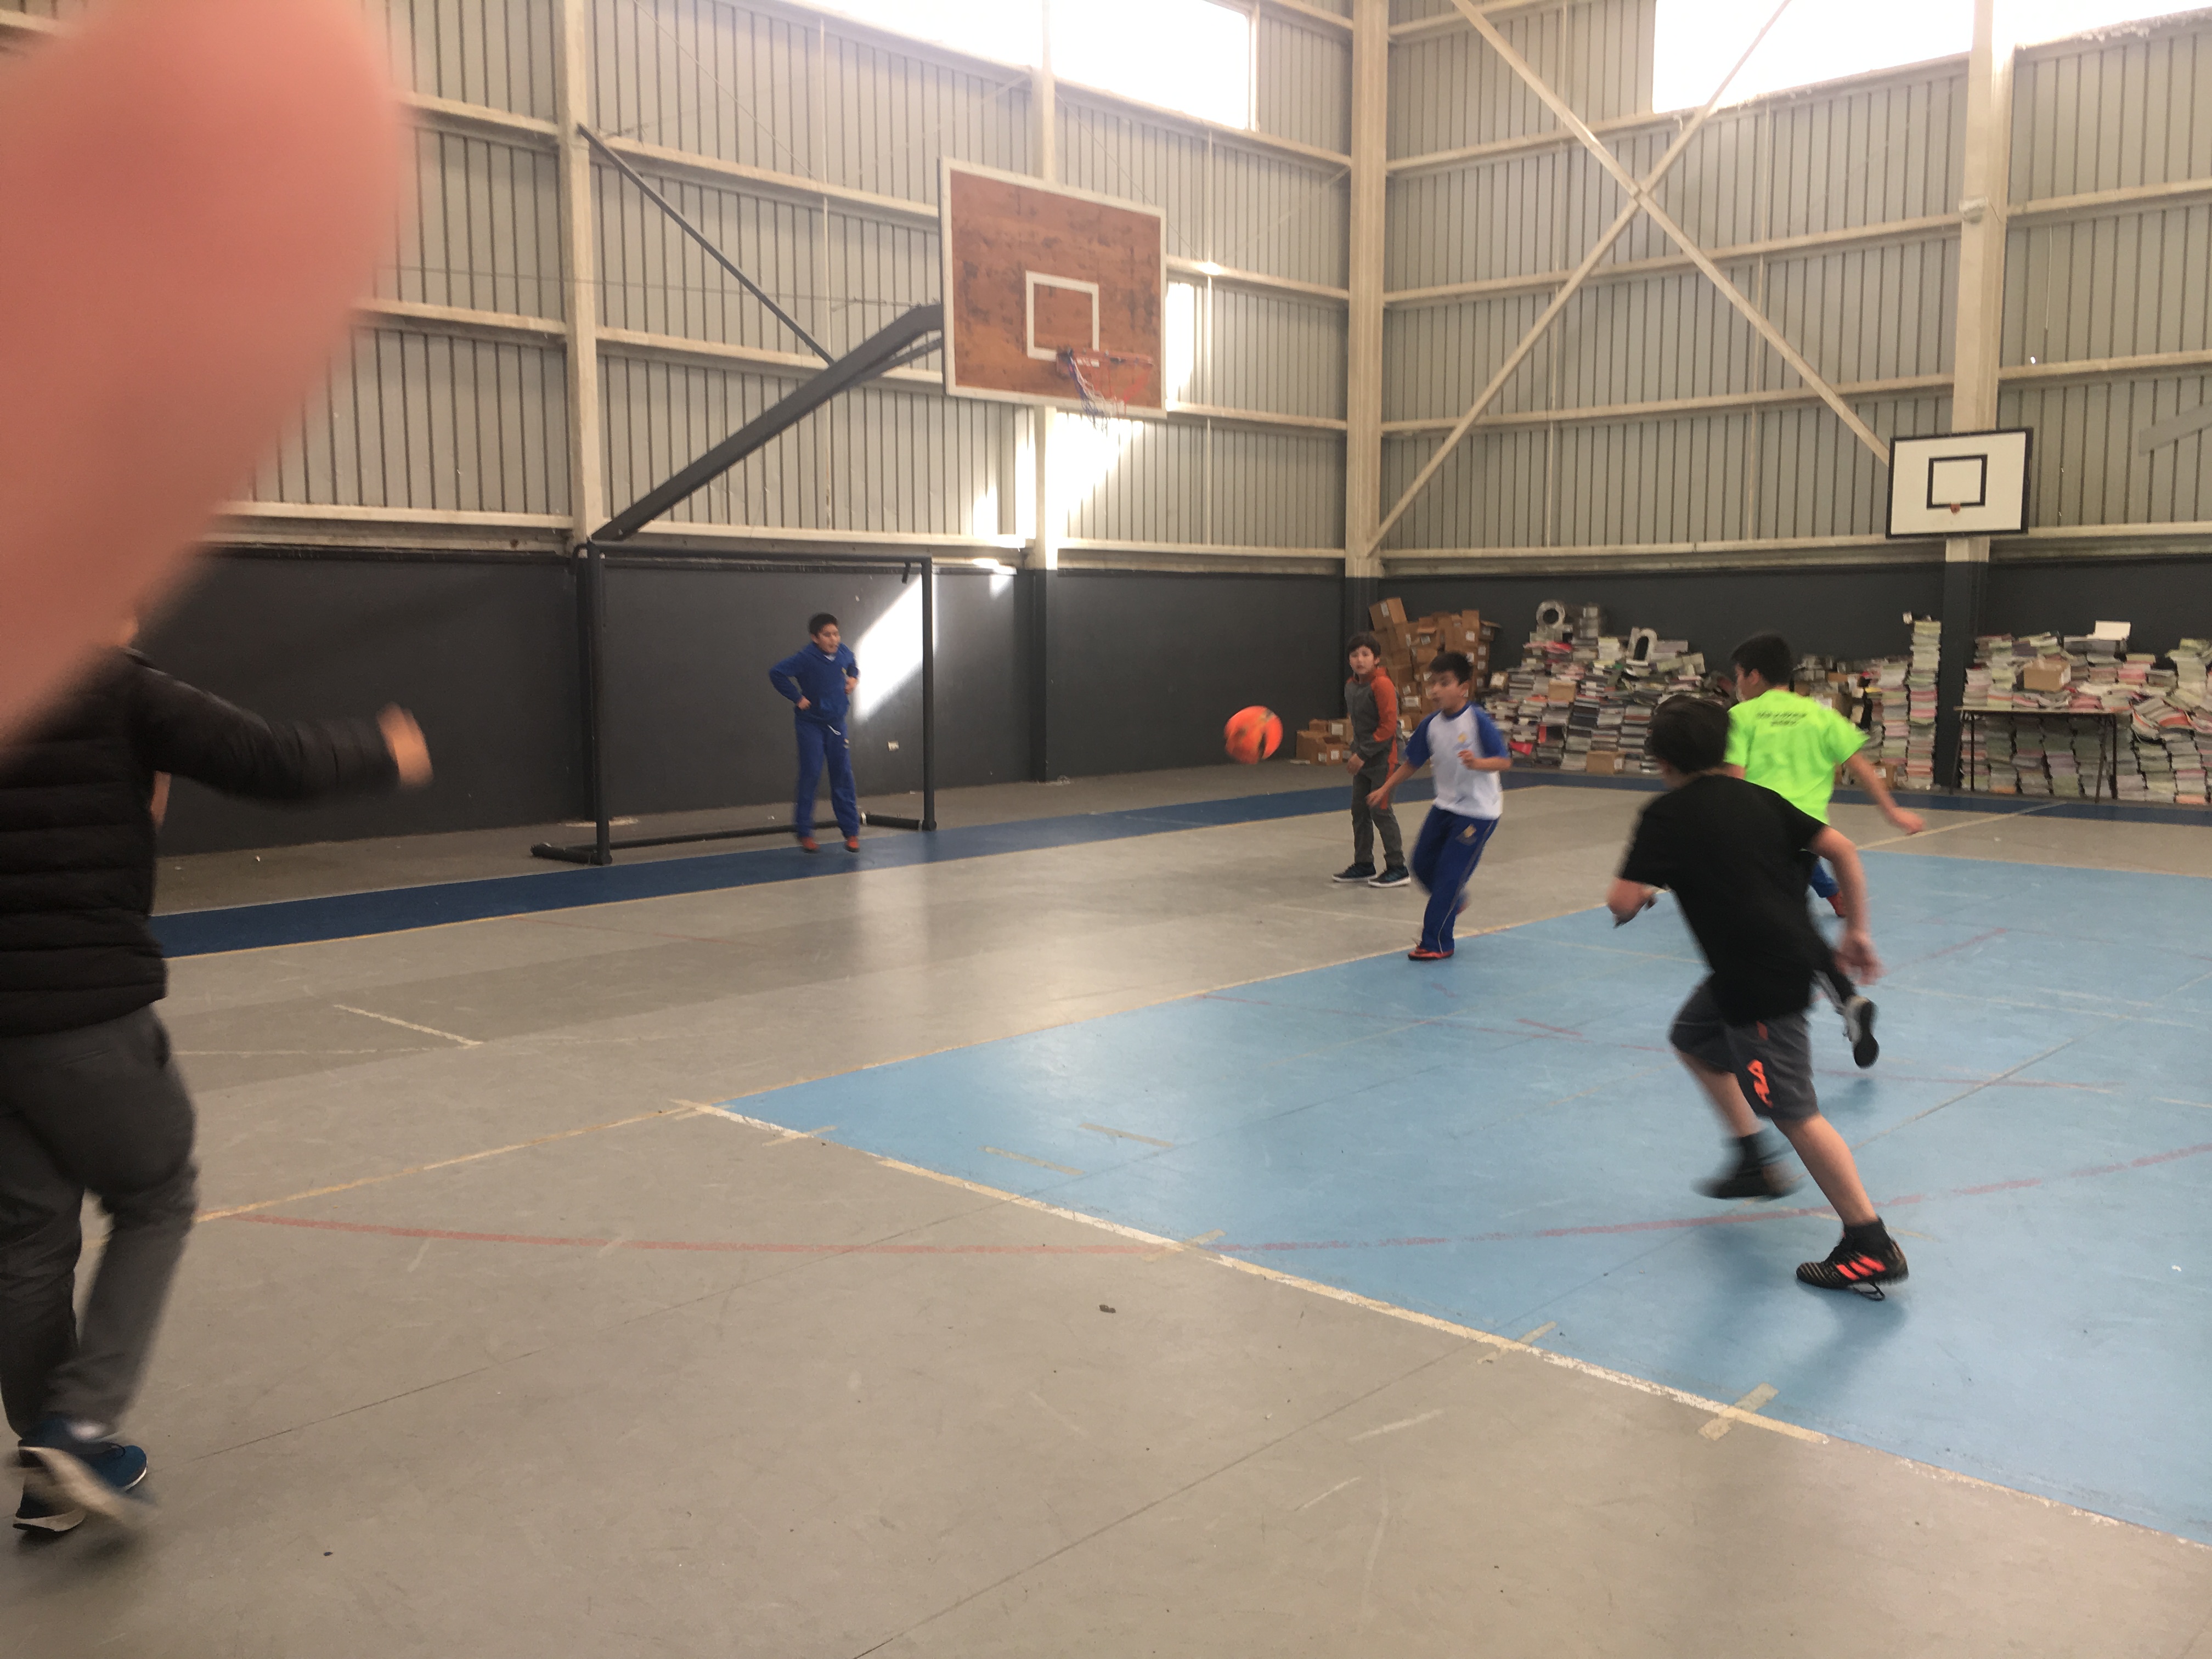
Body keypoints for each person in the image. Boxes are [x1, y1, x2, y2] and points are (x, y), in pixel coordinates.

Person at [3, 647, 432, 1536]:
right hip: (80, 1008)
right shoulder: (109, 682)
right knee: (156, 1193)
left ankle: (49, 1466)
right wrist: (382, 747)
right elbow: (271, 759)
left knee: (29, 1236)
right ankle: (77, 1427)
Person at [1609, 696, 1909, 1296]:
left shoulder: (1665, 815)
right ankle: (1752, 1159)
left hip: (1759, 983)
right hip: (1770, 964)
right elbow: (1843, 851)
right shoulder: (1761, 798)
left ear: (1662, 760)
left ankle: (1870, 1241)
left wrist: (1643, 895)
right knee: (1693, 1037)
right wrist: (1857, 930)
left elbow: (1621, 901)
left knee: (1795, 1113)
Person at [1726, 631, 1923, 1069]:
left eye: (1738, 675)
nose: (1737, 684)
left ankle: (1823, 1006)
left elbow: (1734, 780)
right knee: (1787, 920)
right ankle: (1844, 1002)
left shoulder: (1741, 717)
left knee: (1782, 926)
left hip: (1758, 835)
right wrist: (1891, 811)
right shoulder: (1820, 715)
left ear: (1754, 676)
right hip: (1810, 838)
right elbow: (1862, 766)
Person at [1365, 652, 1510, 961]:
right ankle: (1454, 901)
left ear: (1463, 688)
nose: (1435, 690)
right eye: (1432, 683)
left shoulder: (1477, 720)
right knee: (1420, 864)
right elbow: (1412, 762)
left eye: (1444, 683)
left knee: (1449, 875)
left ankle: (1437, 942)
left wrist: (1478, 763)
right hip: (1445, 807)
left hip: (1478, 812)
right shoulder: (1430, 725)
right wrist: (1385, 788)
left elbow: (1503, 761)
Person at [769, 613, 861, 854]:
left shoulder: (843, 652)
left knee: (842, 774)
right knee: (810, 773)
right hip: (811, 725)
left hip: (837, 724)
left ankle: (851, 832)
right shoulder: (805, 658)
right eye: (827, 635)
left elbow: (852, 663)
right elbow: (777, 673)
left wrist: (854, 678)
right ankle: (805, 832)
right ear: (815, 638)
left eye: (836, 634)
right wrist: (797, 698)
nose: (833, 639)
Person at [1333, 633, 1408, 888]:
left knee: (1381, 810)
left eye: (1366, 654)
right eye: (1354, 655)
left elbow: (1388, 727)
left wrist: (1363, 754)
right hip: (1364, 758)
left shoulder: (1383, 685)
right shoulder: (1351, 687)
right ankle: (1364, 863)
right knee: (1360, 810)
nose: (1360, 660)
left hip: (1386, 758)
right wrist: (1358, 752)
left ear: (1376, 659)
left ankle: (1398, 867)